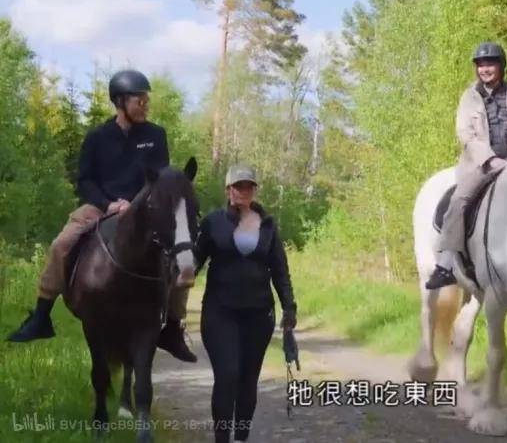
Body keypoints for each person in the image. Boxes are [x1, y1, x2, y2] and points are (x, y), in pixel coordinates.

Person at [7, 70, 197, 363]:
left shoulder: (156, 135)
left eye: (146, 100)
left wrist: (135, 204)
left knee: (179, 251)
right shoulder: (97, 137)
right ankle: (41, 316)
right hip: (99, 207)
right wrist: (108, 205)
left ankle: (172, 327)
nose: (145, 105)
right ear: (120, 102)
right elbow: (84, 180)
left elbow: (159, 181)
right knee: (61, 244)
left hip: (144, 210)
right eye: (140, 100)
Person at [194, 164, 298, 443]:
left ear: (254, 190)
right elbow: (194, 262)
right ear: (228, 190)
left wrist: (289, 306)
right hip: (220, 312)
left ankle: (241, 437)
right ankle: (221, 438)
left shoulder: (268, 226)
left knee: (248, 379)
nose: (243, 191)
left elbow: (280, 270)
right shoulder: (213, 222)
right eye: (238, 186)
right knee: (227, 374)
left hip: (258, 315)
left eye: (248, 186)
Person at [425, 41, 507, 290]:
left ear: (501, 66)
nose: (485, 69)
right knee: (459, 201)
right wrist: (490, 159)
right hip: (482, 164)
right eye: (481, 65)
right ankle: (446, 265)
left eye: (490, 64)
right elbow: (465, 133)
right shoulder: (469, 97)